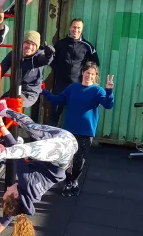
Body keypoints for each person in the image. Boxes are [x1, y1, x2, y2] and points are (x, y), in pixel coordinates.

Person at [0, 105, 78, 236]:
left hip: (59, 139)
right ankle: (0, 151)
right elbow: (18, 150)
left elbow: (10, 215)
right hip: (62, 151)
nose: (7, 187)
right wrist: (5, 144)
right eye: (7, 191)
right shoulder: (25, 181)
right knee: (27, 149)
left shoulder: (27, 201)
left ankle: (3, 110)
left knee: (31, 129)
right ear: (15, 194)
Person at [41, 64, 114, 196]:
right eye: (87, 72)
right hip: (69, 130)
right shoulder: (73, 87)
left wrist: (109, 91)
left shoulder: (98, 91)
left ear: (95, 76)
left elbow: (108, 105)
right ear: (82, 72)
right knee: (66, 158)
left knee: (79, 160)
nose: (89, 76)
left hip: (86, 131)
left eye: (92, 74)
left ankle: (74, 181)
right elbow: (58, 100)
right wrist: (44, 91)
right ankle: (68, 180)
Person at [48, 18, 99, 126]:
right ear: (70, 28)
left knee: (77, 114)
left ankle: (75, 139)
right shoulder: (60, 44)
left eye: (79, 28)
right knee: (54, 113)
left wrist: (86, 77)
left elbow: (95, 64)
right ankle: (50, 138)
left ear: (82, 30)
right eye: (74, 27)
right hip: (61, 84)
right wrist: (58, 69)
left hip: (78, 85)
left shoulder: (87, 46)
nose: (76, 30)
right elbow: (51, 60)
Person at [0, 30, 55, 109]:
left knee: (7, 104)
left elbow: (45, 60)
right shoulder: (14, 54)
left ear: (37, 47)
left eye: (33, 44)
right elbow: (0, 71)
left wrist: (49, 55)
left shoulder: (38, 56)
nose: (30, 47)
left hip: (30, 93)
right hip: (15, 90)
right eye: (27, 43)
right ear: (22, 43)